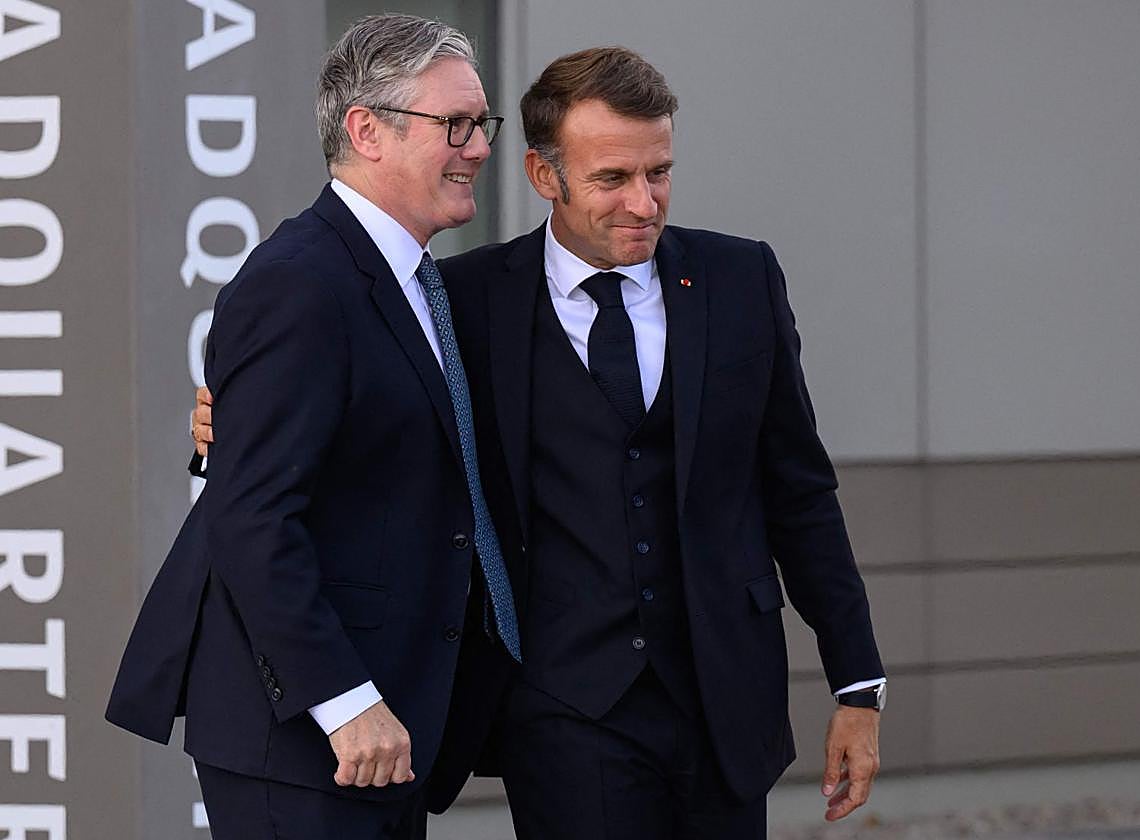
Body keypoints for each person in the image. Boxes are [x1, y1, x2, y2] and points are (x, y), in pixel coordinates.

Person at [194, 45, 886, 840]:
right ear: (542, 175)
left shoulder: (740, 281)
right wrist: (227, 413)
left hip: (725, 701)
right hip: (559, 713)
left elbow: (799, 491)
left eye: (658, 172)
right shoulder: (463, 301)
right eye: (611, 179)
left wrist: (857, 683)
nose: (643, 202)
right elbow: (355, 410)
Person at [107, 15, 520, 839]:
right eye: (457, 125)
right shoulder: (300, 283)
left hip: (390, 731)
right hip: (313, 738)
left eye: (482, 125)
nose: (479, 147)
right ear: (366, 130)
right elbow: (252, 516)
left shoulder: (416, 283)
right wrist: (346, 702)